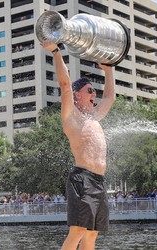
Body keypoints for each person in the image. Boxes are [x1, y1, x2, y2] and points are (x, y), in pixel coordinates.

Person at [41, 41, 115, 250]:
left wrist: (109, 71)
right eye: (90, 90)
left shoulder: (95, 117)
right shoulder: (71, 117)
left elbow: (110, 97)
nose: (94, 94)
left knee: (92, 235)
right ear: (78, 95)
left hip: (99, 181)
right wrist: (56, 52)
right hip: (82, 179)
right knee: (78, 231)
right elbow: (65, 85)